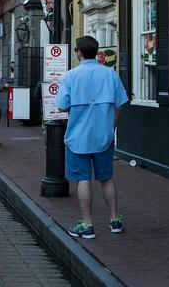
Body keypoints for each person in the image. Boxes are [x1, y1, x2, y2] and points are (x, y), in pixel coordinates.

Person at [56, 36, 128, 239]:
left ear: (78, 53)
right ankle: (114, 220)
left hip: (78, 137)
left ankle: (87, 224)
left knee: (82, 179)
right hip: (103, 136)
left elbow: (62, 105)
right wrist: (111, 127)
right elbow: (119, 105)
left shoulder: (70, 76)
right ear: (97, 53)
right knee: (106, 178)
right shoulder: (110, 74)